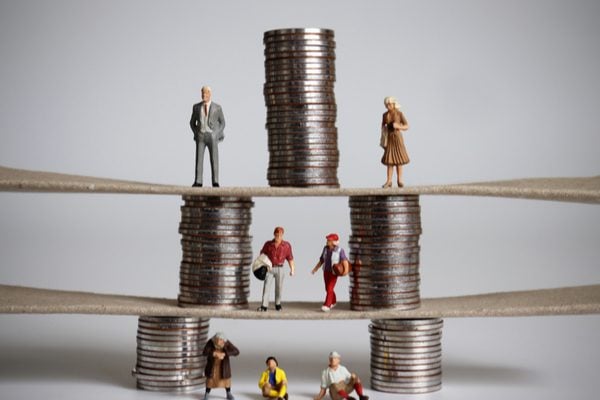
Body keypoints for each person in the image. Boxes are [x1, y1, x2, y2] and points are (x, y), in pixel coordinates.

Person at [189, 86, 226, 187]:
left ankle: (215, 181)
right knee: (199, 159)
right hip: (201, 136)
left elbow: (223, 123)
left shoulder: (217, 108)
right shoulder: (196, 107)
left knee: (214, 159)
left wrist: (216, 134)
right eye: (202, 94)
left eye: (205, 94)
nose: (203, 96)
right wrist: (196, 132)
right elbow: (192, 122)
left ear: (210, 94)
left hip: (212, 136)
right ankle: (198, 181)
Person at [257, 227, 295, 312]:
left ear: (282, 235)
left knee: (279, 287)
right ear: (274, 234)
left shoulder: (286, 246)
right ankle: (264, 305)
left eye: (280, 235)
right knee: (266, 286)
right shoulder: (268, 244)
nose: (278, 237)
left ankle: (278, 304)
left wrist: (292, 269)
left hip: (280, 268)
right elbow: (262, 255)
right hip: (269, 268)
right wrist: (263, 264)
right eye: (277, 235)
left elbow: (290, 258)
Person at [311, 233, 349, 312]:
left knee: (329, 288)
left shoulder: (340, 250)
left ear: (334, 242)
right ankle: (333, 301)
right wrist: (315, 269)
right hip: (326, 271)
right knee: (327, 288)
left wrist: (345, 271)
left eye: (329, 240)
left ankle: (327, 305)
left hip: (333, 273)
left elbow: (345, 261)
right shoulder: (325, 249)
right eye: (327, 240)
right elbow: (322, 260)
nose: (327, 241)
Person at [380, 96, 410, 188]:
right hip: (389, 139)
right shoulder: (385, 115)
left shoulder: (399, 114)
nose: (388, 106)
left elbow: (407, 126)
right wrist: (383, 135)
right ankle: (389, 181)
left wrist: (399, 126)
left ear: (393, 104)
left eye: (389, 104)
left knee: (398, 161)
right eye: (386, 104)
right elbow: (382, 126)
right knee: (390, 161)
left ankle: (399, 180)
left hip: (397, 138)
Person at [203, 332, 239, 400]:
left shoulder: (226, 342)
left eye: (222, 340)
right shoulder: (211, 342)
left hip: (223, 366)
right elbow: (205, 352)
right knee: (210, 381)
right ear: (215, 339)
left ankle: (228, 393)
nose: (220, 342)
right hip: (213, 366)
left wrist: (225, 353)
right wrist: (213, 353)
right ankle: (206, 394)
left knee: (226, 381)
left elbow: (236, 351)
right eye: (218, 340)